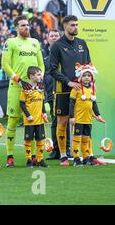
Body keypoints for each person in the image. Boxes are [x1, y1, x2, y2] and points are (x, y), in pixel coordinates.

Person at [49, 15, 101, 166]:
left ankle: (88, 155)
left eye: (77, 25)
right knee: (63, 121)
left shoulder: (82, 43)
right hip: (63, 90)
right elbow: (52, 70)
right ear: (65, 26)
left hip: (82, 91)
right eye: (72, 25)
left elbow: (88, 65)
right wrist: (69, 82)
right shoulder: (57, 46)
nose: (75, 27)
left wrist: (90, 81)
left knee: (85, 121)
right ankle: (64, 156)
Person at [1, 15, 44, 167]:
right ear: (16, 28)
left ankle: (32, 156)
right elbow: (5, 65)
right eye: (23, 25)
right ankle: (10, 156)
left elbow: (41, 65)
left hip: (33, 89)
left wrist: (40, 79)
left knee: (33, 121)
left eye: (27, 25)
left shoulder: (35, 42)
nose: (26, 27)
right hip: (16, 87)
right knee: (12, 120)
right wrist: (19, 80)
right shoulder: (10, 42)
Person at [69, 63, 105, 166]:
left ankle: (85, 158)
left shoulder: (92, 89)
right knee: (77, 139)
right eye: (84, 76)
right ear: (80, 77)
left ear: (92, 77)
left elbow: (94, 103)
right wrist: (71, 117)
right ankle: (76, 158)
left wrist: (98, 115)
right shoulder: (76, 89)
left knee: (86, 139)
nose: (87, 78)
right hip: (78, 119)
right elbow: (71, 104)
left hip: (88, 119)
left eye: (89, 76)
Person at [20, 66, 49, 168]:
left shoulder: (41, 87)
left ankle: (40, 159)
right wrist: (28, 116)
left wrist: (44, 112)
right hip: (30, 121)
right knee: (28, 140)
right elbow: (22, 104)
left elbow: (41, 102)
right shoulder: (25, 89)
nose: (41, 76)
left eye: (41, 74)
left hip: (39, 120)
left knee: (40, 140)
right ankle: (29, 160)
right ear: (31, 76)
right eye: (38, 74)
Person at [41, 29, 64, 160]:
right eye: (52, 36)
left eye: (56, 35)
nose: (54, 38)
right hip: (51, 92)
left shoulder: (63, 51)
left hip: (64, 90)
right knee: (55, 120)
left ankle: (65, 149)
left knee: (64, 120)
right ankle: (56, 150)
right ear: (47, 38)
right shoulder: (43, 53)